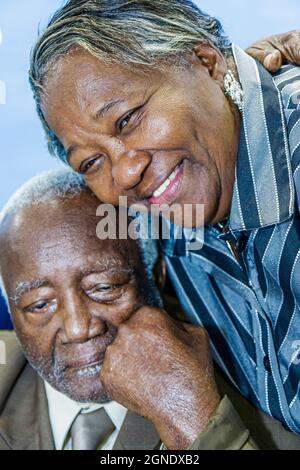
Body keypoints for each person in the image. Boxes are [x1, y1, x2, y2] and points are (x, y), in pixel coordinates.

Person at [28, 0, 300, 438]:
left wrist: (193, 421)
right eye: (92, 161)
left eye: (128, 119)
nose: (126, 173)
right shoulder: (165, 218)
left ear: (205, 60)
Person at [2, 169, 300, 450]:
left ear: (154, 273)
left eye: (104, 288)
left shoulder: (255, 399)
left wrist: (196, 425)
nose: (79, 328)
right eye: (40, 304)